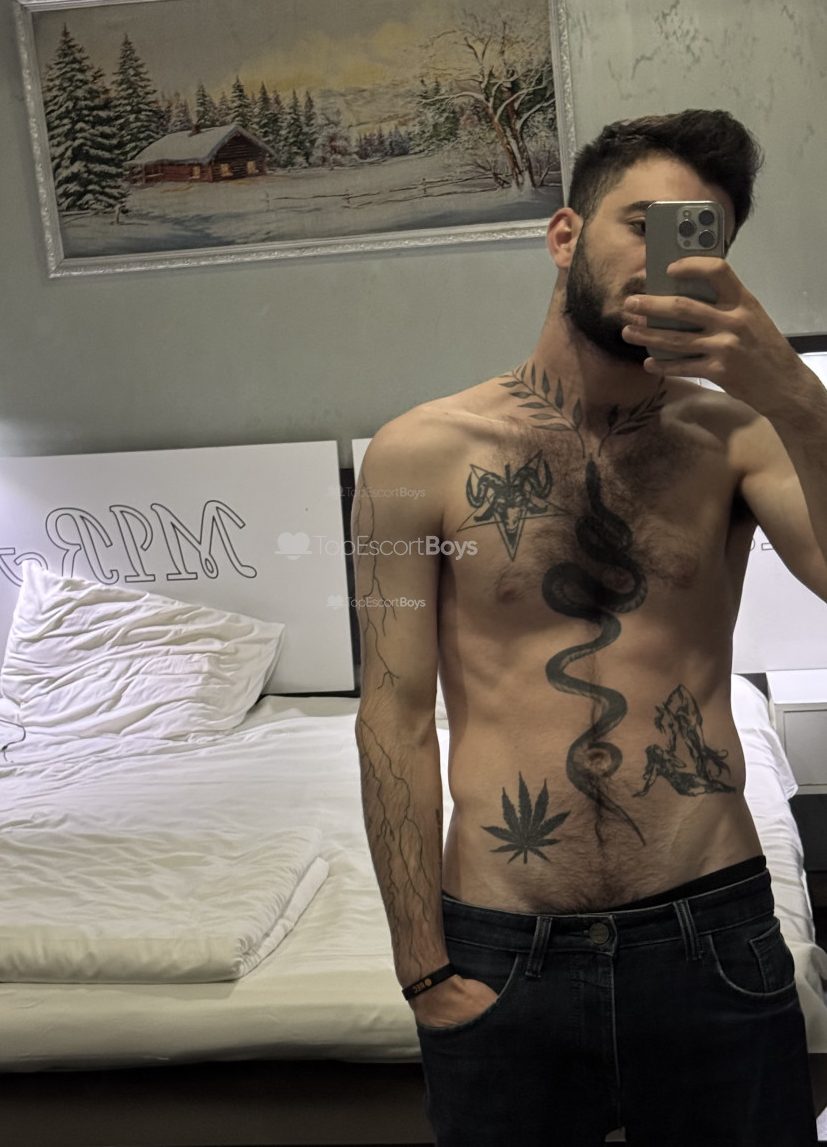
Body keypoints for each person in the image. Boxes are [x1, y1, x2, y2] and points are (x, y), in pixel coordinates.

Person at [352, 109, 827, 1146]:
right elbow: (392, 713)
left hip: (712, 933)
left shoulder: (737, 436)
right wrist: (421, 964)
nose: (665, 260)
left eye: (697, 240)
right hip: (499, 947)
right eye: (642, 226)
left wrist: (794, 390)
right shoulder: (416, 456)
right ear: (565, 234)